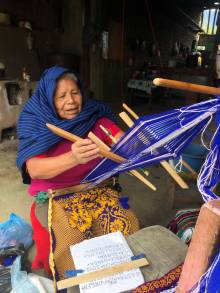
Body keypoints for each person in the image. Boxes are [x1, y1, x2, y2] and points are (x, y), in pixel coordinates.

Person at [16, 66, 139, 280]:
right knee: (73, 243)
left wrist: (133, 144)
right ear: (48, 99)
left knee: (125, 226)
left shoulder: (93, 116)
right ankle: (77, 284)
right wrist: (72, 158)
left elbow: (123, 141)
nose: (71, 101)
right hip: (57, 196)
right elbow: (34, 169)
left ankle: (121, 282)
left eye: (75, 92)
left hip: (97, 190)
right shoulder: (35, 122)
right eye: (61, 96)